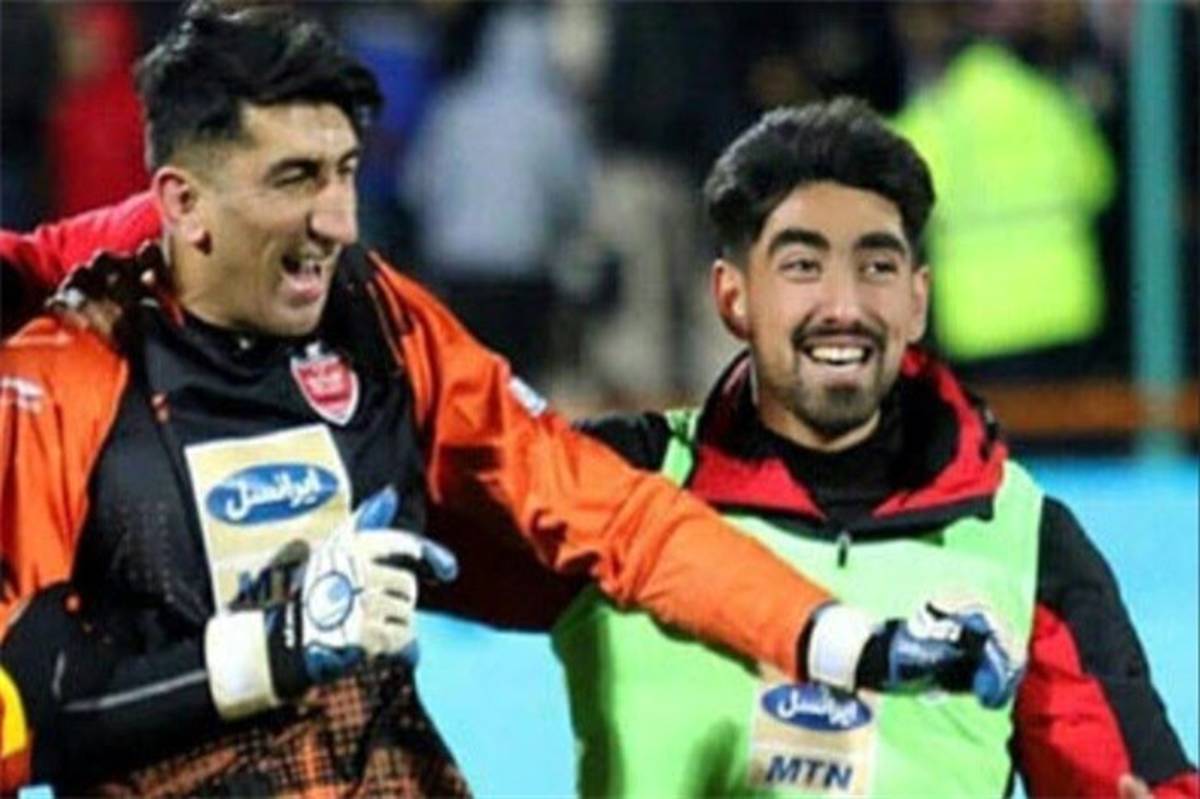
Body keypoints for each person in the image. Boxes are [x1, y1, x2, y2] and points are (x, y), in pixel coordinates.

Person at [0, 5, 1019, 795]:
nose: (339, 219)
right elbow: (30, 711)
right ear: (183, 203)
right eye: (295, 178)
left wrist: (848, 639)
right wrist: (279, 647)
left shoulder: (382, 319)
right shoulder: (66, 369)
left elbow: (613, 517)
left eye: (348, 172)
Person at [545, 99, 1198, 797]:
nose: (844, 307)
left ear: (917, 301)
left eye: (877, 267)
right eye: (803, 266)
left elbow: (1131, 777)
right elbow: (463, 489)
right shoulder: (619, 481)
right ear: (734, 298)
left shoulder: (1023, 537)